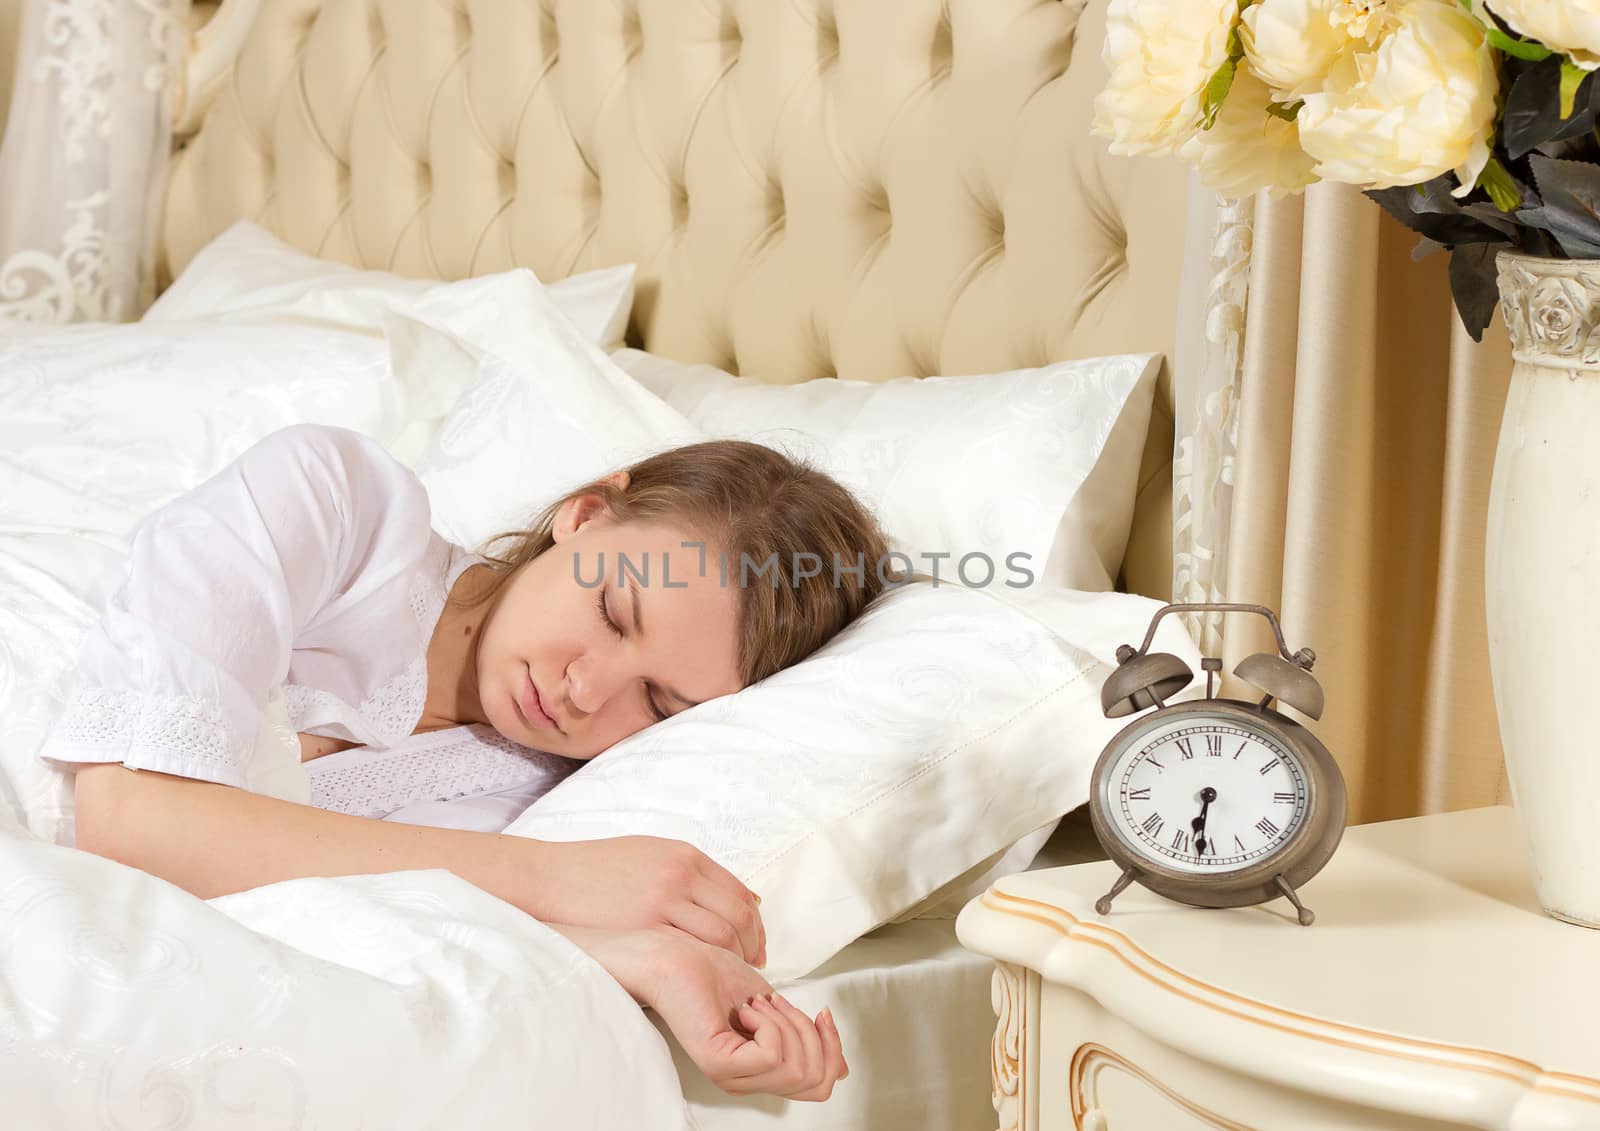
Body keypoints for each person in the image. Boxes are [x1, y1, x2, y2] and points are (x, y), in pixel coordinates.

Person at [45, 421, 898, 1102]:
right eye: (611, 609)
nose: (584, 691)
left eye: (659, 702)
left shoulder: (541, 803)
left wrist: (651, 959)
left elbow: (351, 931)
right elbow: (129, 826)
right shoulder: (337, 504)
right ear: (586, 514)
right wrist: (555, 879)